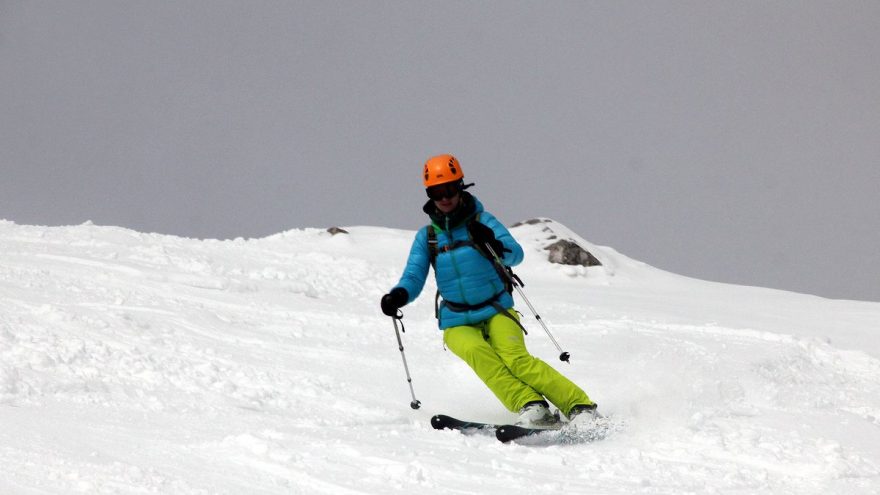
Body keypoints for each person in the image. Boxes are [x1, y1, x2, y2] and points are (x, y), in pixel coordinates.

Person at [380, 154, 598, 426]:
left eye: (449, 189)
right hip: (457, 319)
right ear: (429, 195)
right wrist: (399, 295)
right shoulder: (428, 237)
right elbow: (413, 276)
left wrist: (492, 242)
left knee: (516, 359)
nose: (444, 197)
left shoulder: (482, 220)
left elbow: (515, 255)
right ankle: (531, 405)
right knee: (479, 355)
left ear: (460, 187)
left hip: (496, 309)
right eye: (437, 192)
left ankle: (580, 406)